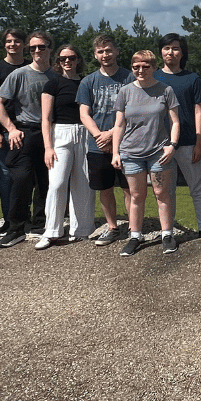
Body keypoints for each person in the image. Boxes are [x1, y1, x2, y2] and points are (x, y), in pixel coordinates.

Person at [111, 51, 181, 256]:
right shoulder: (125, 92)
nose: (140, 71)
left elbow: (175, 121)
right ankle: (135, 236)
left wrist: (172, 145)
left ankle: (167, 234)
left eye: (145, 66)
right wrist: (115, 152)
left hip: (158, 151)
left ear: (154, 67)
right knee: (136, 195)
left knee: (161, 193)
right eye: (136, 67)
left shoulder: (165, 90)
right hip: (131, 152)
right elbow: (119, 125)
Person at [0, 31, 55, 247]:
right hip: (25, 132)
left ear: (50, 48)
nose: (37, 51)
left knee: (45, 181)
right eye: (33, 48)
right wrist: (10, 129)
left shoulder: (56, 76)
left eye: (41, 46)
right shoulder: (19, 74)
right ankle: (16, 227)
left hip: (50, 133)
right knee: (20, 180)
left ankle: (40, 225)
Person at [78, 35, 133, 247]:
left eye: (109, 50)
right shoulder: (88, 81)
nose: (105, 55)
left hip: (126, 143)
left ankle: (133, 226)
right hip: (97, 145)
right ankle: (113, 227)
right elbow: (84, 113)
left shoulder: (128, 78)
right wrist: (99, 135)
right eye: (101, 52)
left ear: (117, 51)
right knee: (105, 188)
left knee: (130, 189)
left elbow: (132, 111)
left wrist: (112, 133)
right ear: (95, 55)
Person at [154, 33, 201, 239]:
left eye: (175, 48)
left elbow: (198, 111)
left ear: (182, 52)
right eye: (167, 48)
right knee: (166, 191)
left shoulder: (192, 78)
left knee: (197, 186)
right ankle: (168, 231)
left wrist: (198, 143)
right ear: (161, 51)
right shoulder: (154, 77)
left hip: (187, 142)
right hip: (160, 144)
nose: (171, 52)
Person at [37, 44, 92, 248]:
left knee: (83, 183)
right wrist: (48, 147)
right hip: (60, 133)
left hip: (84, 133)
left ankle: (82, 229)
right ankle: (52, 230)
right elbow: (45, 118)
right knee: (57, 183)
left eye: (71, 58)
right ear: (58, 62)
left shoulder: (86, 83)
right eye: (62, 59)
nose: (67, 62)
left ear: (78, 60)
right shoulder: (52, 83)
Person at [0, 28, 26, 224]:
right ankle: (9, 219)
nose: (12, 44)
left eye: (16, 41)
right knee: (6, 177)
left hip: (29, 130)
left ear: (24, 44)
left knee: (27, 177)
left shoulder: (31, 67)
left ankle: (28, 218)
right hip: (5, 131)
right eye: (9, 41)